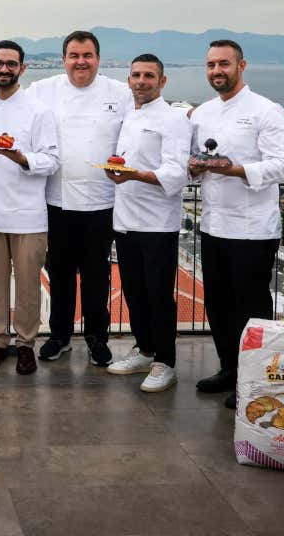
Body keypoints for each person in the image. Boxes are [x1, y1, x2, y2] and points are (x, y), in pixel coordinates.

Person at [188, 39, 284, 408]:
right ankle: (229, 369)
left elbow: (282, 166)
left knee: (250, 306)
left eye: (224, 64)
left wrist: (234, 169)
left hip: (253, 228)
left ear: (241, 66)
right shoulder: (201, 114)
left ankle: (255, 380)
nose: (217, 71)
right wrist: (196, 169)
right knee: (217, 303)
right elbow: (196, 168)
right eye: (211, 65)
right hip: (214, 224)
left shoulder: (267, 110)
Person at [28, 30, 131, 366]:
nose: (81, 62)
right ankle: (59, 336)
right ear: (64, 60)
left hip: (101, 202)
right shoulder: (44, 90)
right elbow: (12, 110)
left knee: (96, 275)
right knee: (58, 273)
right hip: (56, 200)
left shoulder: (120, 92)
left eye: (87, 55)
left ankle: (96, 338)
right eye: (74, 55)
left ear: (98, 59)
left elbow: (140, 129)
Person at [105, 54, 191, 392]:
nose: (141, 81)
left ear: (162, 81)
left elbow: (177, 171)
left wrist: (136, 175)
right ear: (129, 80)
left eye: (149, 76)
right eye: (136, 75)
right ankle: (144, 348)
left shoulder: (174, 120)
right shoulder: (129, 116)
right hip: (126, 220)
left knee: (158, 295)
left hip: (157, 223)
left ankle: (165, 362)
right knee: (135, 291)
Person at [0, 41, 60, 375]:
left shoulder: (39, 111)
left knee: (28, 287)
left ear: (23, 69)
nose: (5, 69)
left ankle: (26, 345)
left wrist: (22, 157)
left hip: (29, 215)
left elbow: (52, 160)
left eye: (12, 64)